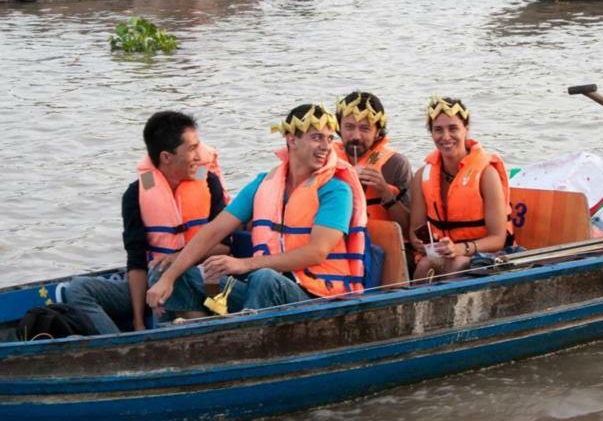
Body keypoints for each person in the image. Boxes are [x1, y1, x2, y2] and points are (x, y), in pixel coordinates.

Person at [147, 104, 368, 316]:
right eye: (317, 137)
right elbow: (213, 231)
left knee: (264, 278)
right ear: (292, 140)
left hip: (316, 297)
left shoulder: (337, 191)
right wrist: (170, 276)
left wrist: (243, 264)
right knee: (166, 272)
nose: (326, 146)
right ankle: (195, 329)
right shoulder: (265, 184)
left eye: (330, 139)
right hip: (261, 287)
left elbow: (317, 251)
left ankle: (240, 335)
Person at [64, 111, 230, 334]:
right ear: (166, 157)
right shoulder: (135, 194)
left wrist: (177, 258)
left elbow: (225, 246)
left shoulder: (209, 183)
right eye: (191, 149)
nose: (199, 157)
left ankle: (191, 331)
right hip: (154, 283)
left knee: (168, 271)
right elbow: (137, 260)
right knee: (79, 288)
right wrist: (138, 322)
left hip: (204, 281)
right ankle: (122, 345)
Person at [409, 97, 512, 282]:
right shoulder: (421, 176)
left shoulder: (487, 174)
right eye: (438, 130)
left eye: (453, 128)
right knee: (424, 265)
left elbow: (498, 238)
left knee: (454, 265)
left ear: (466, 130)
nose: (445, 136)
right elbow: (415, 229)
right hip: (442, 253)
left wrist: (459, 249)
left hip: (482, 254)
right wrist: (421, 244)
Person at [334, 91, 412, 238]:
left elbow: (410, 229)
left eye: (365, 128)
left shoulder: (396, 164)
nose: (356, 136)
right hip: (338, 245)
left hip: (383, 246)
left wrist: (384, 191)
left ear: (378, 132)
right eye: (349, 127)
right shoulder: (326, 160)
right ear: (339, 127)